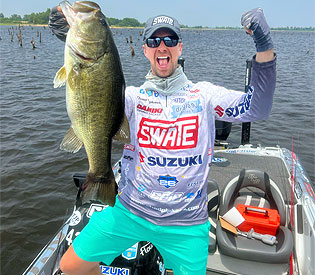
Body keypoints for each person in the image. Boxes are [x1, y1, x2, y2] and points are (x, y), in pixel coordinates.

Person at [49, 6, 276, 275]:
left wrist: (264, 47)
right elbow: (96, 91)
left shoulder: (205, 96)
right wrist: (73, 40)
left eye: (169, 40)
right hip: (131, 212)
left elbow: (258, 108)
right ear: (145, 49)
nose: (162, 46)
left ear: (179, 47)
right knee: (71, 266)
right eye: (154, 41)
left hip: (186, 225)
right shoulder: (131, 99)